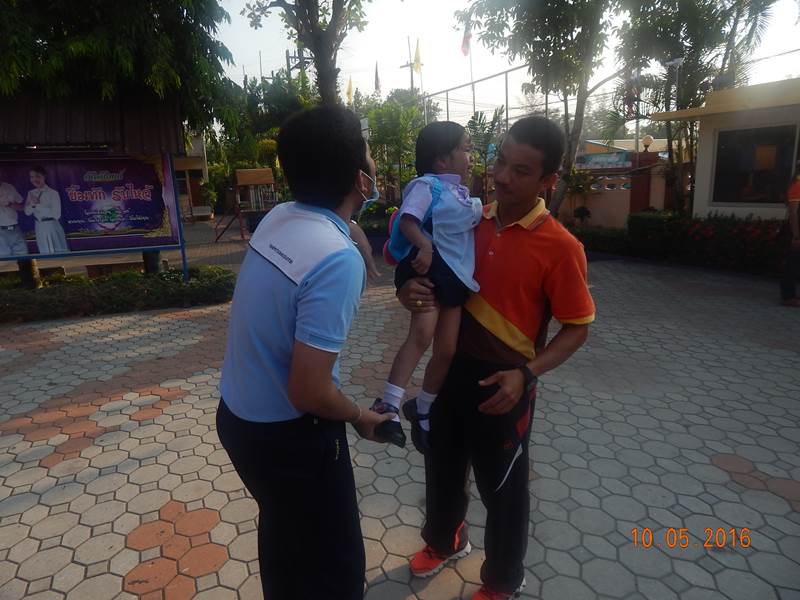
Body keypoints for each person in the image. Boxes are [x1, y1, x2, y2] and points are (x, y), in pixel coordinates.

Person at [397, 116, 596, 600]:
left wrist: (527, 374)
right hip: (449, 374)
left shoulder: (561, 247)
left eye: (521, 170)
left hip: (505, 384)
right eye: (500, 160)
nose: (502, 176)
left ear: (548, 180)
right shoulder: (468, 218)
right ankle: (445, 541)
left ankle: (504, 579)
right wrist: (409, 291)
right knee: (441, 467)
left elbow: (577, 328)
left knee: (503, 487)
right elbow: (420, 272)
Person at [216, 105, 391, 600]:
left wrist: (355, 233)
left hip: (237, 420)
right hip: (290, 438)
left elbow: (324, 224)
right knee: (335, 568)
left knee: (285, 537)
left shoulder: (276, 218)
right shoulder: (337, 263)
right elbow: (310, 391)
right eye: (369, 155)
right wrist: (360, 417)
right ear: (360, 179)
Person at [372, 121, 482, 451]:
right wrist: (425, 246)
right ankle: (389, 403)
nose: (471, 157)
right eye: (465, 149)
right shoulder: (427, 185)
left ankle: (422, 408)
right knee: (421, 335)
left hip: (455, 278)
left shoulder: (461, 193)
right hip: (430, 270)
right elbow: (408, 220)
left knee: (446, 349)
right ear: (442, 159)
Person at [24, 165, 69, 254]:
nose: (34, 179)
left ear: (44, 176)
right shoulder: (31, 193)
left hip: (52, 225)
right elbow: (27, 212)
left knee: (58, 250)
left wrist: (38, 205)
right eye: (32, 177)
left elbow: (56, 215)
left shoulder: (53, 193)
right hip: (39, 226)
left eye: (37, 176)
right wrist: (33, 205)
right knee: (44, 250)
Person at [780, 163, 800, 307]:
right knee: (792, 264)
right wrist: (796, 236)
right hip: (796, 231)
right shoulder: (797, 185)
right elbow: (793, 212)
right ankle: (788, 297)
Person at [0, 168, 28, 257]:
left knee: (23, 258)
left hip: (15, 228)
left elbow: (22, 207)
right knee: (4, 261)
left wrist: (9, 204)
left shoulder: (9, 187)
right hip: (0, 231)